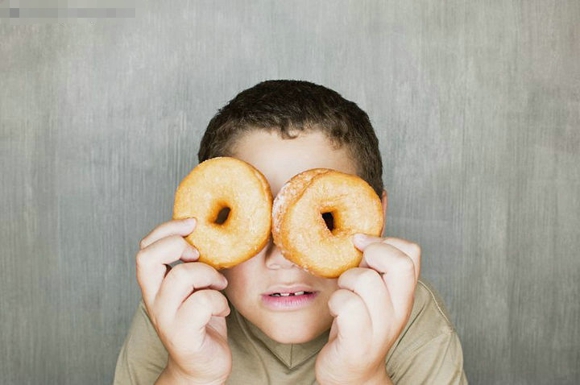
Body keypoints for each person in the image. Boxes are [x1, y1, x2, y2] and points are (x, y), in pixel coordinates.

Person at [114, 80, 467, 384]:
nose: (284, 257)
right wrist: (188, 375)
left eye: (325, 221)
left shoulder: (407, 314)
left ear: (376, 216)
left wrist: (361, 377)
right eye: (260, 222)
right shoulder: (178, 310)